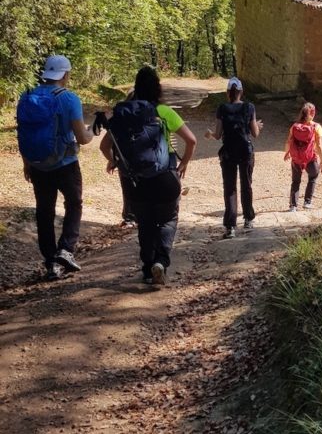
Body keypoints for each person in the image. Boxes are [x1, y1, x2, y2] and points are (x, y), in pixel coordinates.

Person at [99, 66, 196, 287]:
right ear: (157, 88)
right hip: (165, 177)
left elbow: (104, 146)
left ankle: (147, 268)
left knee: (145, 223)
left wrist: (115, 161)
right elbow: (191, 140)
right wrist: (185, 162)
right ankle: (161, 262)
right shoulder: (163, 111)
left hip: (137, 181)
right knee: (168, 218)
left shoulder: (123, 113)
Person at [17, 54, 93, 280]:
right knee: (74, 203)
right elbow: (81, 138)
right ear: (65, 74)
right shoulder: (68, 98)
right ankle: (66, 250)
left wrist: (27, 163)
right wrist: (91, 131)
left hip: (38, 163)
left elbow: (24, 132)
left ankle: (50, 260)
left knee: (44, 210)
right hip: (65, 164)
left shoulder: (27, 96)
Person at [204, 77, 262, 239]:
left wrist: (210, 134)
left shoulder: (222, 108)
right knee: (246, 184)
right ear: (241, 92)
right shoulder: (249, 107)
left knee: (230, 188)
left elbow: (217, 135)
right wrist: (257, 125)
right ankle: (249, 219)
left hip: (228, 151)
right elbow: (255, 133)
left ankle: (230, 227)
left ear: (227, 92)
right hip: (245, 150)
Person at [284, 102, 322, 211]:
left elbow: (289, 141)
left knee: (295, 181)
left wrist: (287, 153)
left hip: (296, 158)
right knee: (313, 177)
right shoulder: (317, 127)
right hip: (310, 157)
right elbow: (319, 146)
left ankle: (293, 206)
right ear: (313, 113)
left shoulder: (294, 126)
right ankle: (307, 202)